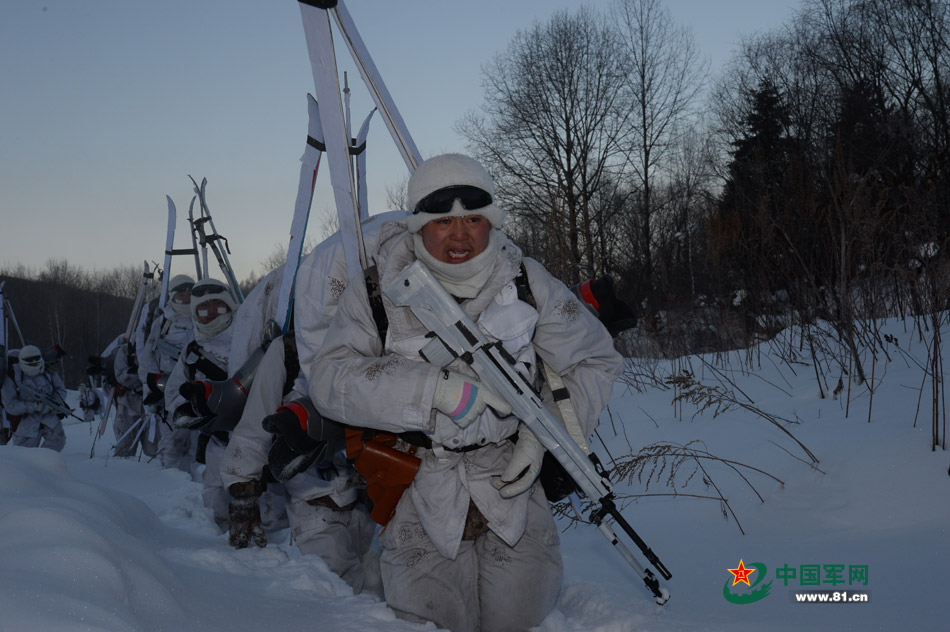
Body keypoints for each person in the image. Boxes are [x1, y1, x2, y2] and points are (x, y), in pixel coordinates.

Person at [310, 154, 624, 632]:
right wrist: (437, 390)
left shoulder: (526, 281)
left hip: (514, 487)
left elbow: (594, 359)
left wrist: (543, 440)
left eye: (473, 219)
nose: (460, 234)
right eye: (442, 221)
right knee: (429, 622)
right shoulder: (376, 292)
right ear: (418, 227)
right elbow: (330, 380)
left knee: (524, 621)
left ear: (491, 222)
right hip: (420, 489)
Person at [164, 278, 238, 531]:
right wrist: (195, 411)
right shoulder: (192, 351)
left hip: (255, 435)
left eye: (219, 306)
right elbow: (173, 393)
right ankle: (227, 551)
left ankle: (271, 555)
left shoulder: (251, 341)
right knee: (217, 495)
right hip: (217, 437)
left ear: (230, 307)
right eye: (204, 309)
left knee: (266, 502)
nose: (212, 314)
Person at [141, 275, 197, 472]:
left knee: (198, 444)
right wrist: (151, 391)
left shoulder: (203, 317)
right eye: (181, 294)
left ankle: (195, 489)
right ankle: (174, 484)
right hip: (170, 392)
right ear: (173, 297)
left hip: (199, 388)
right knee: (172, 442)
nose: (187, 298)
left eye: (191, 293)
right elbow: (148, 360)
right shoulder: (163, 322)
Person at [0, 345, 69, 451]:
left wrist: (54, 403)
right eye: (30, 364)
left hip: (49, 417)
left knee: (57, 443)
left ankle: (45, 465)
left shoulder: (48, 370)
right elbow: (10, 405)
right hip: (25, 422)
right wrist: (35, 407)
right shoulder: (12, 375)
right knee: (24, 456)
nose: (34, 365)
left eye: (36, 363)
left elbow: (61, 390)